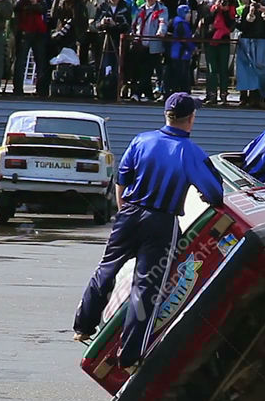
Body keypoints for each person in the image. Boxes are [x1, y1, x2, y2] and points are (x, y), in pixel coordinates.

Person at [72, 93, 224, 369]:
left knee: (107, 269)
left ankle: (83, 325)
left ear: (166, 115)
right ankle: (129, 356)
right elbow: (215, 194)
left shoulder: (141, 140)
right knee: (146, 288)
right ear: (191, 118)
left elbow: (123, 177)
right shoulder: (191, 152)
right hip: (161, 222)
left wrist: (123, 208)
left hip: (129, 215)